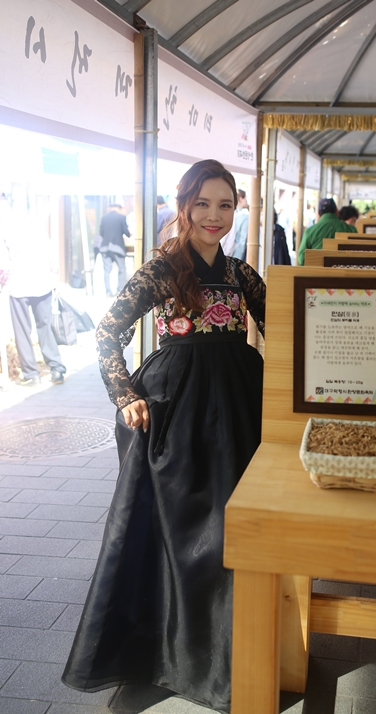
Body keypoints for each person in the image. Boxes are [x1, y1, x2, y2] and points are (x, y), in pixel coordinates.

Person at [62, 160, 265, 714]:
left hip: (241, 403)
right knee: (176, 533)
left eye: (225, 205)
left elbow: (288, 327)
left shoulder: (243, 274)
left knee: (235, 529)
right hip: (175, 409)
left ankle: (230, 653)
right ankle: (167, 654)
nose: (214, 216)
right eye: (203, 204)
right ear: (184, 206)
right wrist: (125, 395)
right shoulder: (160, 270)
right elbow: (108, 332)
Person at [4, 215, 66, 386]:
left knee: (23, 331)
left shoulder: (9, 235)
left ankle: (31, 374)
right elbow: (53, 259)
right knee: (44, 327)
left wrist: (3, 282)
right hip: (42, 285)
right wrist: (55, 280)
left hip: (19, 287)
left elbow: (4, 265)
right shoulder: (41, 234)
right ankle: (57, 369)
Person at [297, 198, 357, 265]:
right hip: (343, 273)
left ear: (318, 214)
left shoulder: (309, 231)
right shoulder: (351, 230)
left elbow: (302, 259)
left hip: (317, 273)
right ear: (336, 211)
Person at [98, 204, 130, 297]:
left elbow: (101, 232)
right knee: (122, 269)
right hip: (118, 247)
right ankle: (120, 291)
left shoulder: (104, 217)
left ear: (110, 208)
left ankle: (108, 291)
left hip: (105, 247)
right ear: (119, 209)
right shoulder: (121, 217)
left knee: (107, 270)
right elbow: (126, 232)